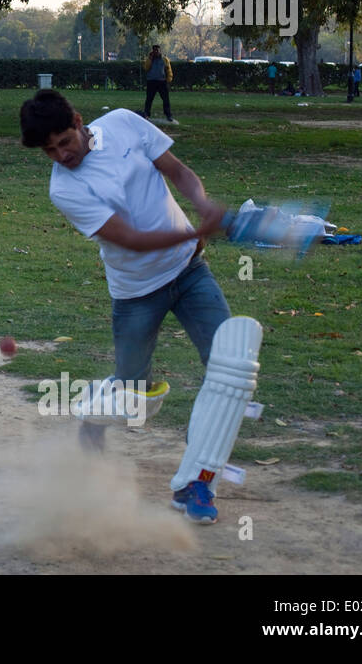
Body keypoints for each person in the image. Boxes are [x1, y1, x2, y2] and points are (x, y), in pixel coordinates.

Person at [20, 89, 235, 524]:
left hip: (191, 273)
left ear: (79, 122)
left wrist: (203, 203)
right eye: (50, 151)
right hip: (136, 292)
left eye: (64, 141)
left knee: (228, 369)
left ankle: (196, 483)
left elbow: (178, 171)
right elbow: (131, 241)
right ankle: (96, 419)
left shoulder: (123, 123)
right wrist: (196, 232)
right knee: (133, 397)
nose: (61, 155)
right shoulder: (65, 189)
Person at [141, 44, 176, 124]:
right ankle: (146, 114)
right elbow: (146, 68)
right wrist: (150, 59)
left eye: (157, 50)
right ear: (152, 51)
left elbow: (168, 70)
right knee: (149, 99)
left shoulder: (164, 59)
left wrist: (169, 79)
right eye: (154, 50)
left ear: (160, 51)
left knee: (165, 99)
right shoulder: (149, 59)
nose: (156, 52)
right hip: (151, 81)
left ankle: (168, 115)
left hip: (162, 81)